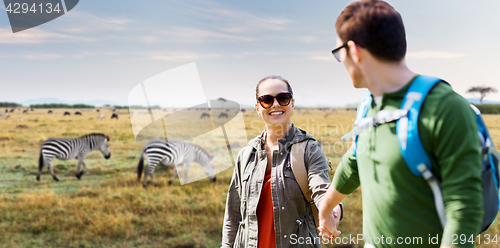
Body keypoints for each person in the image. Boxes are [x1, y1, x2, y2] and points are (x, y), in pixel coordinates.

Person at [318, 1, 483, 248]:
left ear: (354, 51)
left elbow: (464, 209)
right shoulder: (368, 106)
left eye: (338, 53)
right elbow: (354, 162)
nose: (341, 61)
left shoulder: (445, 107)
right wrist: (326, 208)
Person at [221, 75, 342, 248]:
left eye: (283, 98)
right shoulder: (246, 154)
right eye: (266, 100)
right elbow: (233, 216)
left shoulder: (309, 149)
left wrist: (331, 212)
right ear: (257, 107)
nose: (276, 104)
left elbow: (322, 191)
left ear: (292, 103)